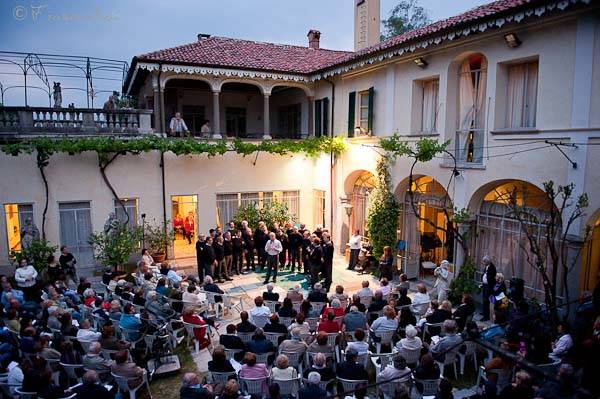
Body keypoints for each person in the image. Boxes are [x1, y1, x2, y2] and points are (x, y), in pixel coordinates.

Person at [481, 255, 497, 321]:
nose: (483, 263)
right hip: (485, 286)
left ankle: (486, 316)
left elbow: (490, 279)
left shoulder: (492, 267)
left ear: (487, 261)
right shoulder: (486, 266)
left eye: (484, 262)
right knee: (484, 300)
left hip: (489, 287)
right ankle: (485, 313)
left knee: (486, 300)